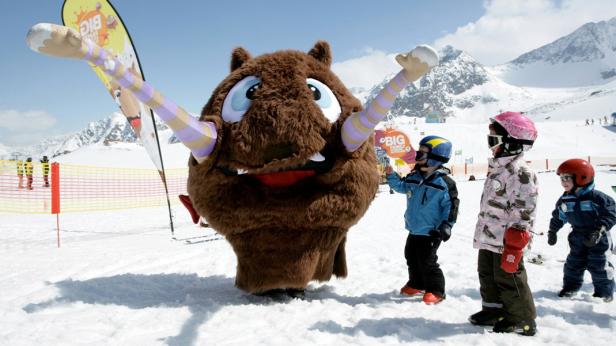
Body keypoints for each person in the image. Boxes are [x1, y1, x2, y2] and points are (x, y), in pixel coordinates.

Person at [469, 112, 538, 336]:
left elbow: (524, 209)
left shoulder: (521, 172)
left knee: (509, 278)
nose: (490, 146)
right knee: (487, 274)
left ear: (512, 142)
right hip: (489, 235)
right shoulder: (498, 168)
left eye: (494, 140)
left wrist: (516, 241)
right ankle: (494, 310)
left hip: (507, 239)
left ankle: (522, 319)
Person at [386, 135, 459, 305]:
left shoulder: (444, 183)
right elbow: (401, 186)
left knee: (427, 261)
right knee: (411, 256)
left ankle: (436, 290)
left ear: (434, 159)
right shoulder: (414, 177)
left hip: (432, 231)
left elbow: (452, 206)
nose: (417, 158)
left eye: (421, 155)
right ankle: (417, 283)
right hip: (415, 228)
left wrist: (447, 225)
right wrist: (391, 176)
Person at [547, 159, 615, 302]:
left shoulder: (596, 198)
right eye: (561, 178)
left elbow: (611, 212)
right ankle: (570, 288)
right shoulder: (566, 199)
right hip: (577, 236)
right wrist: (552, 231)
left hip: (597, 237)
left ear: (581, 177)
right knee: (573, 264)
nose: (563, 182)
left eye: (567, 178)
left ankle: (604, 293)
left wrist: (599, 230)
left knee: (599, 265)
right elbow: (559, 216)